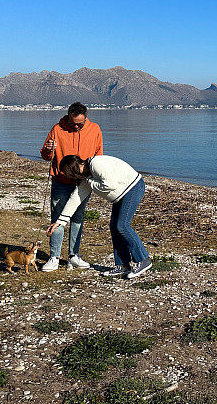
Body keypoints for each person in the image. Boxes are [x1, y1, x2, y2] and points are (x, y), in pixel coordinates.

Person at [47, 154, 152, 279]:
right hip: (121, 196)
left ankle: (143, 260)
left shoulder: (95, 164)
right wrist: (59, 222)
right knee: (114, 228)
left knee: (122, 226)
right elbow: (75, 200)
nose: (70, 178)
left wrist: (90, 182)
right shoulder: (87, 177)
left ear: (72, 170)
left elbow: (110, 185)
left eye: (68, 174)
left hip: (133, 188)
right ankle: (123, 265)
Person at [39, 102, 103, 272]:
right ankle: (54, 257)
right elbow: (45, 155)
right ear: (68, 117)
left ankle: (74, 255)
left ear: (86, 118)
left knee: (77, 218)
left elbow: (99, 157)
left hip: (83, 183)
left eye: (79, 124)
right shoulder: (57, 129)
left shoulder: (95, 129)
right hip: (61, 181)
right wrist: (48, 149)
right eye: (73, 122)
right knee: (58, 218)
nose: (75, 126)